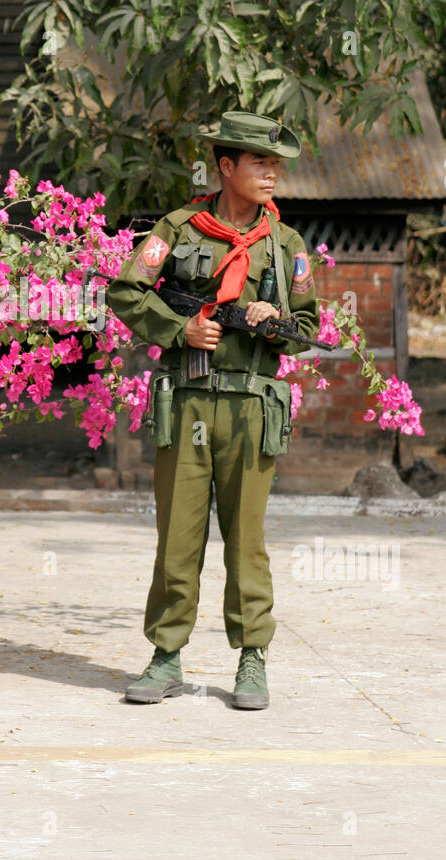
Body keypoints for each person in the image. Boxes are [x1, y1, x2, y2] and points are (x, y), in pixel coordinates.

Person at [105, 111, 320, 709]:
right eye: (260, 163)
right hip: (188, 400)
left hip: (253, 408)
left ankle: (253, 659)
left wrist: (271, 323)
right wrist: (180, 330)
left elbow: (306, 327)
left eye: (276, 165)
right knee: (178, 536)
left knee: (246, 541)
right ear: (226, 167)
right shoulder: (177, 229)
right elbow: (125, 291)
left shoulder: (285, 245)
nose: (272, 175)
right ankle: (166, 656)